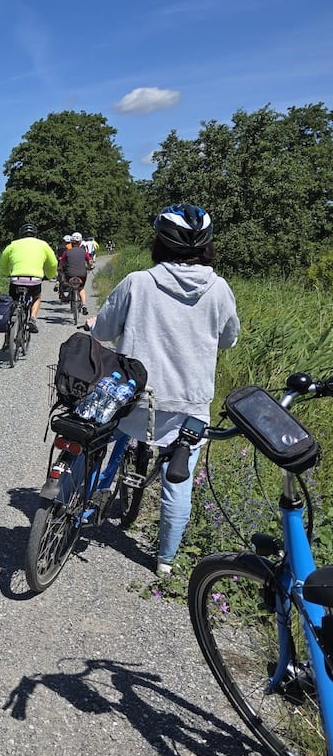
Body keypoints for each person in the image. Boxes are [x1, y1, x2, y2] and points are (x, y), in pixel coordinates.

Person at [86, 204, 240, 576]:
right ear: (205, 247)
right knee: (178, 476)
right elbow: (228, 340)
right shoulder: (218, 289)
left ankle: (79, 503)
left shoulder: (138, 282)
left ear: (160, 243)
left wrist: (98, 324)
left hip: (133, 400)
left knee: (95, 435)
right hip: (188, 408)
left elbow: (103, 332)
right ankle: (166, 561)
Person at [0, 223, 57, 334]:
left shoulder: (13, 245)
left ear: (21, 234)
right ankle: (33, 318)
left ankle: (10, 326)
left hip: (16, 279)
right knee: (36, 298)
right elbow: (53, 263)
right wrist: (49, 275)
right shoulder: (43, 245)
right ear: (35, 234)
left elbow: (3, 261)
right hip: (34, 280)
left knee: (13, 301)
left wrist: (7, 273)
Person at [60, 232, 90, 313]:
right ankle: (84, 304)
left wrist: (60, 269)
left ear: (71, 242)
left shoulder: (67, 252)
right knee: (81, 288)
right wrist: (89, 267)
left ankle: (67, 294)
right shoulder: (84, 252)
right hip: (82, 274)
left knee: (66, 282)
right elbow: (89, 262)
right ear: (80, 242)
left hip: (69, 274)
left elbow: (62, 262)